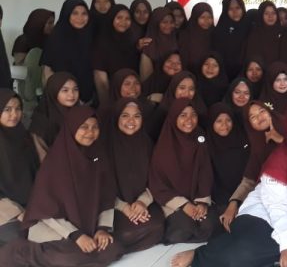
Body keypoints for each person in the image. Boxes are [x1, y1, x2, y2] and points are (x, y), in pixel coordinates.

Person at [170, 101, 287, 267]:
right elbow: (277, 205)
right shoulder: (279, 159)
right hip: (262, 213)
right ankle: (201, 254)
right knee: (244, 253)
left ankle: (258, 252)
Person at [0, 106, 123, 266]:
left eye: (95, 127)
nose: (90, 132)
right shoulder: (55, 163)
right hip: (58, 229)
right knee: (69, 259)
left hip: (89, 226)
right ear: (71, 129)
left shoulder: (99, 158)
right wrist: (76, 235)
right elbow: (45, 210)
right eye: (84, 127)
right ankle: (20, 251)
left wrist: (102, 229)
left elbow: (107, 199)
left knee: (113, 249)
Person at [149, 99, 216, 244]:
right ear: (174, 117)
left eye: (193, 115)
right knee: (182, 229)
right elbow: (158, 184)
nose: (189, 120)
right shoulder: (164, 145)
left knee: (209, 226)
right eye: (183, 115)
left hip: (196, 198)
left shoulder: (199, 137)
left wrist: (202, 202)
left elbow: (205, 172)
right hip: (172, 202)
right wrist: (184, 205)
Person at [217, 100, 285, 234]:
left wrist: (280, 139)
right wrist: (233, 203)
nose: (259, 118)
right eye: (253, 117)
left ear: (270, 112)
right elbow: (249, 179)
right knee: (240, 225)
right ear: (250, 124)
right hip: (267, 193)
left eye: (262, 111)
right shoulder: (258, 144)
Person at [108, 98, 165, 253]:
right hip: (113, 205)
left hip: (144, 201)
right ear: (116, 118)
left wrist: (142, 202)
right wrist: (124, 208)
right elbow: (99, 186)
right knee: (126, 233)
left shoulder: (147, 143)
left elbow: (157, 178)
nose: (131, 121)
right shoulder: (104, 147)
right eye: (125, 115)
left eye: (137, 116)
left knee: (157, 227)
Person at [0, 89, 40, 246]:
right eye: (7, 109)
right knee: (21, 237)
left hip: (31, 204)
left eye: (18, 109)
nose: (14, 114)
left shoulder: (25, 136)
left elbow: (36, 173)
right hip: (5, 208)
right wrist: (16, 211)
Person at [205, 103, 250, 235]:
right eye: (219, 121)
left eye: (228, 120)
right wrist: (228, 203)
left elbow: (250, 175)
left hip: (245, 193)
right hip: (220, 198)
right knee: (228, 225)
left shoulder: (243, 140)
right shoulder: (207, 145)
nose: (224, 125)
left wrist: (236, 201)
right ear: (211, 122)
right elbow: (210, 180)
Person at [41, 0, 95, 103]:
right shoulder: (56, 38)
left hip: (88, 99)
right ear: (66, 15)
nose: (80, 18)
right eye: (75, 13)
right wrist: (55, 97)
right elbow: (47, 71)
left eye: (84, 13)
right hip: (61, 99)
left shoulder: (91, 36)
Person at [92, 4, 140, 103]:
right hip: (111, 98)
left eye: (127, 19)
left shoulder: (131, 40)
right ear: (111, 19)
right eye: (119, 18)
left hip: (131, 94)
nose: (123, 22)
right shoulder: (102, 43)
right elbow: (101, 81)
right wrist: (108, 104)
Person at [28, 72, 80, 160]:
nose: (71, 94)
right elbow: (42, 158)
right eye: (65, 90)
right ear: (53, 91)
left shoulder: (81, 114)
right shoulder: (41, 121)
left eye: (75, 89)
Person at [212, 0, 249, 80]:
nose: (235, 12)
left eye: (237, 8)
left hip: (247, 76)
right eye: (230, 9)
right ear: (225, 11)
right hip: (223, 76)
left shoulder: (250, 28)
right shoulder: (219, 31)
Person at [139, 7, 178, 82]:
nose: (169, 25)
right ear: (156, 23)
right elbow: (146, 80)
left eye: (171, 22)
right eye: (164, 22)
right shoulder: (148, 47)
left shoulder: (176, 39)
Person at [245, 1, 284, 69]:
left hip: (279, 73)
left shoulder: (282, 33)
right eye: (266, 13)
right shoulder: (254, 35)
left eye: (273, 13)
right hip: (260, 72)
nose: (270, 16)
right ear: (261, 15)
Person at [178, 2, 215, 73]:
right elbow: (183, 60)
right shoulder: (185, 35)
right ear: (195, 18)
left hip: (210, 73)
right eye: (202, 17)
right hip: (189, 74)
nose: (206, 21)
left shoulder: (215, 34)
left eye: (209, 17)